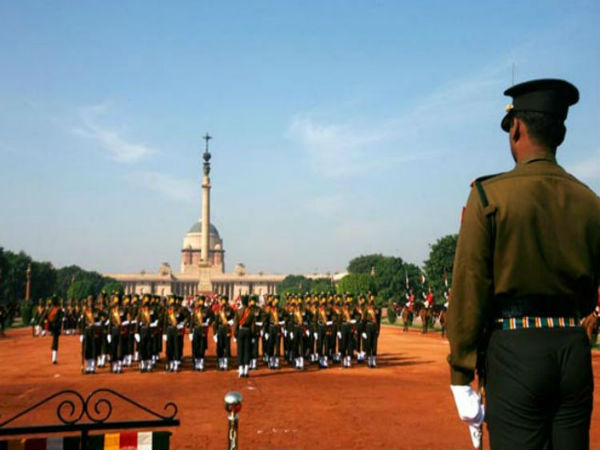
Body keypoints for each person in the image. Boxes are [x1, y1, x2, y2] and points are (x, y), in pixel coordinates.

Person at [447, 79, 600, 450]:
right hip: (573, 350)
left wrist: (461, 372)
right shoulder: (590, 202)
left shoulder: (488, 195)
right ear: (560, 133)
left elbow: (469, 287)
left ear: (516, 128)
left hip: (515, 350)